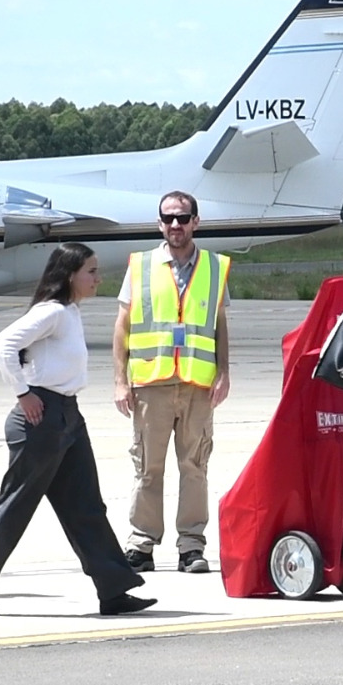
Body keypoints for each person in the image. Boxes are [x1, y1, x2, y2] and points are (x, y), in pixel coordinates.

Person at [0, 244, 155, 616]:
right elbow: (3, 344)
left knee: (86, 505)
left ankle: (114, 589)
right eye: (90, 271)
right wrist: (23, 392)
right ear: (70, 274)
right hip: (41, 418)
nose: (97, 278)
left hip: (67, 415)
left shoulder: (70, 312)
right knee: (16, 504)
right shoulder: (52, 312)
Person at [113, 190, 230, 575]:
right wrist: (120, 380)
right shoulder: (141, 265)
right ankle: (142, 544)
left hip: (197, 383)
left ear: (196, 221)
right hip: (152, 382)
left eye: (183, 218)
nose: (175, 226)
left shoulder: (214, 267)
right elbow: (123, 325)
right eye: (168, 219)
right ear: (159, 223)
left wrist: (224, 372)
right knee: (148, 466)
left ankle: (191, 546)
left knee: (194, 466)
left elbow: (219, 325)